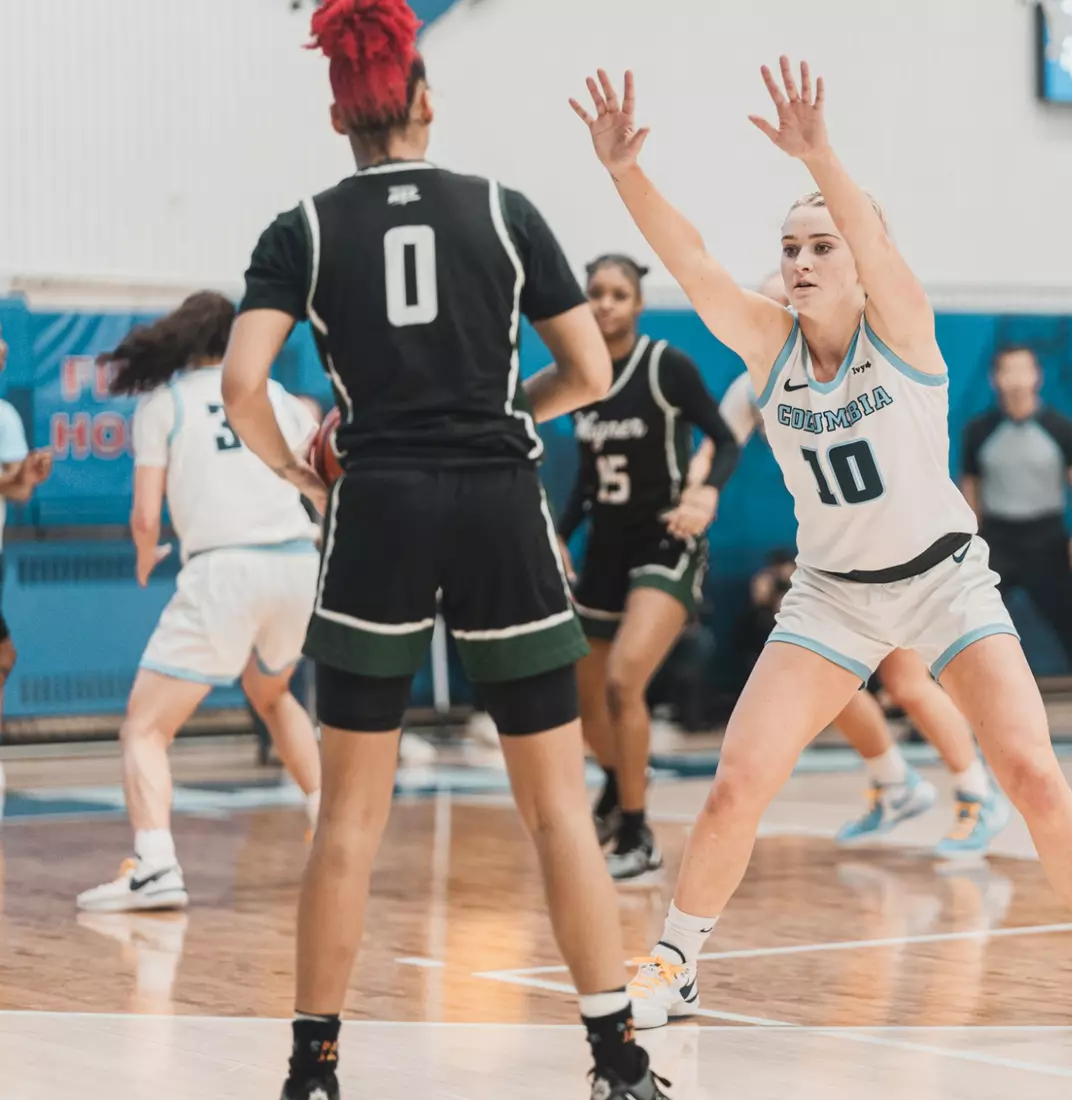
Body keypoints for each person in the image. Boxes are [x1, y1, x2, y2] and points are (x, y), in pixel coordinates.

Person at [571, 59, 1072, 1038]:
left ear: (858, 255)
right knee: (735, 783)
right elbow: (692, 261)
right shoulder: (769, 348)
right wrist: (625, 173)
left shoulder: (905, 332)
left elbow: (875, 239)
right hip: (832, 598)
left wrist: (820, 156)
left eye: (821, 245)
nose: (800, 260)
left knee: (1028, 768)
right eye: (790, 246)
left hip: (944, 583)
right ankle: (676, 959)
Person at [219, 4, 662, 1098]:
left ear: (338, 112)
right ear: (425, 97)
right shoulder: (504, 212)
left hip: (378, 504)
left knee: (351, 815)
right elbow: (588, 372)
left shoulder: (302, 230)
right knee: (559, 803)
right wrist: (515, 406)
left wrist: (298, 467)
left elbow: (240, 387)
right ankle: (617, 1059)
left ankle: (314, 1072)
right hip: (500, 500)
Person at [690, 280, 1009, 857]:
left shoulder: (874, 352)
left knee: (908, 682)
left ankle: (975, 790)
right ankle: (894, 781)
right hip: (837, 552)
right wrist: (698, 492)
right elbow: (716, 444)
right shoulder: (760, 375)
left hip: (911, 549)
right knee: (826, 678)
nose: (775, 309)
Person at [75, 292, 325, 912]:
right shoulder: (282, 398)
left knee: (145, 728)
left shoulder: (165, 403)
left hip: (226, 570)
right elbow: (320, 484)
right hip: (300, 563)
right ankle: (331, 825)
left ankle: (155, 864)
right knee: (272, 693)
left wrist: (144, 554)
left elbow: (143, 512)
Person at [557, 252, 740, 882]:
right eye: (596, 294)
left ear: (637, 304)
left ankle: (638, 830)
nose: (605, 303)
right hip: (603, 548)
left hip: (666, 539)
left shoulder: (665, 365)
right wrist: (558, 534)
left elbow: (726, 435)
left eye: (617, 294)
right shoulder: (579, 375)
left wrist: (706, 492)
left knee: (623, 680)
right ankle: (619, 782)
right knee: (584, 702)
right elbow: (586, 476)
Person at [961, 345, 1072, 731]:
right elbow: (969, 486)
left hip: (1047, 538)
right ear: (995, 379)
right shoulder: (979, 430)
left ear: (1038, 376)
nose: (1017, 379)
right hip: (996, 539)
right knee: (967, 624)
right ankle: (938, 712)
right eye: (1008, 370)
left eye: (1025, 370)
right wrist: (970, 539)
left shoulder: (1060, 428)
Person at [0, 322, 52, 787]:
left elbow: (12, 491)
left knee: (3, 655)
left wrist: (28, 478)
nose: (1, 346)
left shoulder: (4, 416)